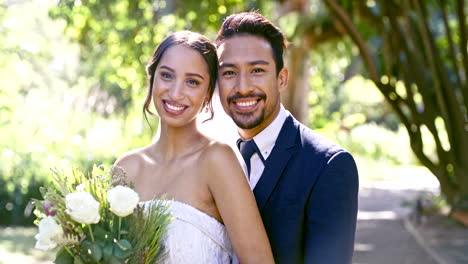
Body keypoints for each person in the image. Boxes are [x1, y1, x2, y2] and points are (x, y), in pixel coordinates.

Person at [114, 31, 274, 264]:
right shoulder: (126, 168)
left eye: (192, 82)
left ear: (208, 93)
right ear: (152, 78)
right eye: (167, 76)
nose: (176, 93)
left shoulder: (216, 160)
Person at [216, 12, 359, 263]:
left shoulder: (328, 165)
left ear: (281, 78)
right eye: (229, 73)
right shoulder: (212, 159)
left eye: (257, 70)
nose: (243, 87)